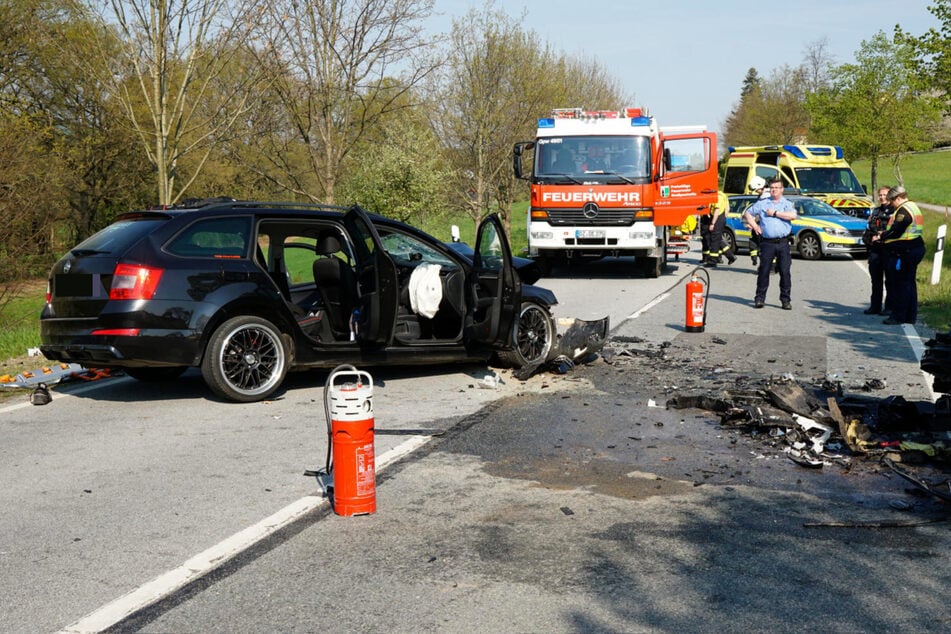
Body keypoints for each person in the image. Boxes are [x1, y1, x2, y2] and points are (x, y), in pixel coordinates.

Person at [743, 178, 797, 309]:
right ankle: (760, 298)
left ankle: (785, 300)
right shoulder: (763, 203)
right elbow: (747, 214)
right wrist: (755, 226)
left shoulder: (786, 203)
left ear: (782, 190)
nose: (774, 190)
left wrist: (776, 213)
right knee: (764, 271)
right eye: (772, 187)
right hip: (767, 242)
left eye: (777, 188)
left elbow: (792, 216)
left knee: (785, 271)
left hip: (783, 242)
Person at [879, 185, 925, 325]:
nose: (891, 204)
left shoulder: (903, 211)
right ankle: (910, 316)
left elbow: (896, 231)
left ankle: (898, 316)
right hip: (914, 248)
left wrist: (883, 236)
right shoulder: (912, 206)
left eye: (892, 201)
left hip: (906, 251)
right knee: (909, 284)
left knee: (901, 284)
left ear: (898, 198)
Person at [863, 185, 893, 315]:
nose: (882, 197)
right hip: (875, 249)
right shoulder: (875, 211)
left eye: (885, 195)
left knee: (890, 280)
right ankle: (875, 306)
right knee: (876, 280)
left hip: (889, 249)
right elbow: (869, 227)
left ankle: (889, 307)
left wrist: (882, 234)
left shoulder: (895, 211)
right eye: (880, 195)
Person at [745, 176, 767, 265]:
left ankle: (769, 267)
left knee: (765, 249)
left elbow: (757, 213)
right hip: (761, 226)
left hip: (765, 227)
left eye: (756, 190)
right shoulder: (764, 197)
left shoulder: (765, 199)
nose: (756, 192)